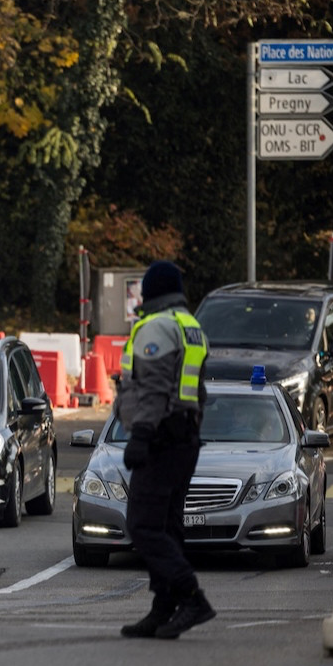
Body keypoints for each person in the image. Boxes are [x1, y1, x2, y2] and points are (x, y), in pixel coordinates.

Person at [115, 260, 215, 639]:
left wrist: (141, 435)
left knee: (142, 525)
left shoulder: (156, 326)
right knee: (168, 527)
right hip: (184, 438)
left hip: (160, 439)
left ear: (150, 291)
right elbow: (197, 392)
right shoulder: (190, 326)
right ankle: (163, 607)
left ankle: (191, 596)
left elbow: (155, 387)